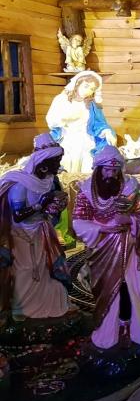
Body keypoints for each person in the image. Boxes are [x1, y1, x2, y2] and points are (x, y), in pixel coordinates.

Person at [72, 146, 140, 349]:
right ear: (98, 169)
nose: (111, 174)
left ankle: (133, 328)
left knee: (132, 287)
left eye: (114, 170)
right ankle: (109, 330)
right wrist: (104, 228)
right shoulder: (86, 191)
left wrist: (130, 220)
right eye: (107, 170)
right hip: (103, 248)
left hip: (130, 247)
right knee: (107, 290)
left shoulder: (132, 188)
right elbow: (79, 221)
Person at [0, 133, 69, 320]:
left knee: (45, 269)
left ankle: (48, 305)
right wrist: (41, 204)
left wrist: (56, 207)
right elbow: (18, 215)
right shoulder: (21, 184)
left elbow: (51, 206)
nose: (59, 165)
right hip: (20, 235)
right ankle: (21, 309)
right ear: (44, 163)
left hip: (40, 231)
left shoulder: (49, 181)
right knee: (25, 270)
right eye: (56, 161)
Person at [46, 71, 116, 173]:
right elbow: (51, 120)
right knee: (65, 164)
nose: (87, 91)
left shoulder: (92, 105)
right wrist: (66, 119)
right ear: (77, 84)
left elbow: (99, 123)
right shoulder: (61, 100)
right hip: (66, 138)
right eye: (86, 86)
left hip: (87, 140)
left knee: (88, 165)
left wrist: (107, 131)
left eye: (92, 89)